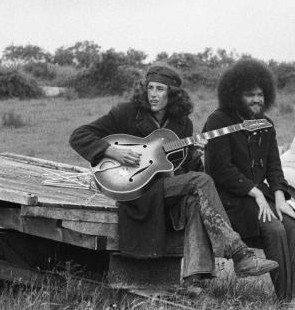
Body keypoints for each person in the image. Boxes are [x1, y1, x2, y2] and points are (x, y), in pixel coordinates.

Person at [69, 64, 279, 297]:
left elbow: (182, 168)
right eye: (150, 88)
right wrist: (112, 152)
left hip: (164, 187)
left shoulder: (183, 124)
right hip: (137, 190)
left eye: (160, 89)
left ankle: (194, 281)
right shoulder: (125, 113)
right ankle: (240, 254)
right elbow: (79, 136)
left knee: (195, 198)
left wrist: (195, 154)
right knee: (200, 181)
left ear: (173, 94)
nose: (153, 94)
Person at [203, 58, 295, 304]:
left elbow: (275, 166)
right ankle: (286, 298)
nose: (257, 100)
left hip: (261, 198)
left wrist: (280, 199)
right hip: (230, 201)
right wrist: (256, 193)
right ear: (234, 95)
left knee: (294, 225)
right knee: (273, 228)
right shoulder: (218, 121)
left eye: (261, 95)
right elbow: (220, 170)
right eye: (250, 95)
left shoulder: (266, 123)